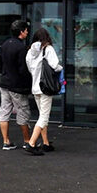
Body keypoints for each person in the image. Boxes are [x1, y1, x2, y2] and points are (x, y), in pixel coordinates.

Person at [25, 27, 63, 155]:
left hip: (35, 87)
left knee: (42, 115)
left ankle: (46, 143)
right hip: (45, 87)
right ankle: (31, 143)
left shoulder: (30, 52)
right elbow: (55, 65)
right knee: (44, 118)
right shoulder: (48, 49)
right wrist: (60, 68)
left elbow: (30, 68)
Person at [0, 20, 32, 151]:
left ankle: (6, 141)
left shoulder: (5, 44)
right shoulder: (21, 47)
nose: (27, 32)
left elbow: (0, 63)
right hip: (17, 85)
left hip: (4, 82)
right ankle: (27, 140)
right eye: (26, 30)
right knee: (23, 111)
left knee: (4, 111)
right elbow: (23, 69)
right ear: (21, 32)